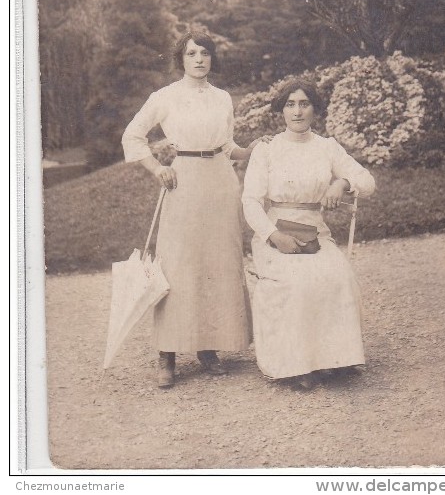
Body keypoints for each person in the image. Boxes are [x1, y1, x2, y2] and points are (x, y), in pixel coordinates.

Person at [122, 31, 263, 388]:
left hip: (221, 182)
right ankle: (166, 354)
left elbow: (227, 145)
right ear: (181, 60)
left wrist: (252, 150)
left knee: (218, 263)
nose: (199, 59)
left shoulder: (223, 98)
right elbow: (132, 136)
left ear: (212, 58)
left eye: (204, 53)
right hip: (183, 183)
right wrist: (157, 168)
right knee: (179, 266)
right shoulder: (165, 96)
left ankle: (208, 347)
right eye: (191, 53)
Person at [242, 78, 376, 390]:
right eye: (290, 104)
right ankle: (295, 365)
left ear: (315, 108)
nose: (298, 111)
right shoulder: (267, 150)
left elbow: (366, 180)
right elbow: (250, 201)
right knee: (296, 282)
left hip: (315, 233)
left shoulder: (327, 147)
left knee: (338, 276)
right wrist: (274, 236)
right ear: (281, 110)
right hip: (276, 232)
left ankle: (334, 358)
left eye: (304, 104)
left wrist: (341, 183)